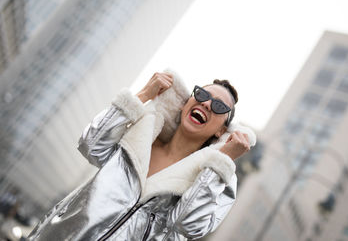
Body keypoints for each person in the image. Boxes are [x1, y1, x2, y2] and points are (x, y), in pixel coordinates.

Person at [27, 70, 256, 240]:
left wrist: (221, 163)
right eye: (203, 94)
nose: (206, 103)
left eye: (219, 107)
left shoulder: (217, 180)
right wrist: (143, 94)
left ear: (221, 131)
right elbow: (90, 145)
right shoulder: (140, 136)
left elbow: (190, 225)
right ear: (186, 104)